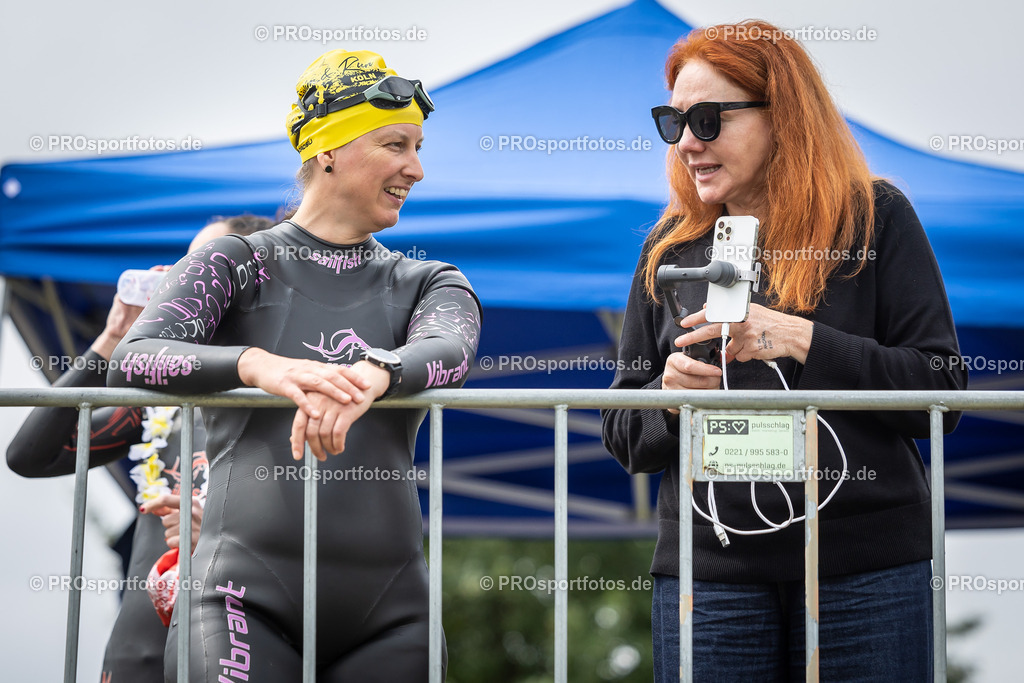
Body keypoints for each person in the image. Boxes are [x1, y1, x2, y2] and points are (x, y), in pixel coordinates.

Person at [600, 20, 967, 682]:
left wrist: (803, 340)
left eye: (708, 119)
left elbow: (940, 390)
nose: (686, 142)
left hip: (866, 570)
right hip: (710, 580)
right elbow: (624, 431)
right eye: (672, 122)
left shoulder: (874, 217)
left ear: (784, 115)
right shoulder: (670, 248)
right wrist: (669, 399)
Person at [108, 49, 481, 682]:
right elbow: (134, 360)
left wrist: (380, 371)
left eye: (418, 147)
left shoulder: (428, 280)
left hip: (394, 614)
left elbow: (451, 348)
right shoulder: (234, 262)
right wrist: (259, 366)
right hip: (239, 602)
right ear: (328, 150)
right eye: (396, 145)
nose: (415, 168)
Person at [7, 214, 273, 682]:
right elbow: (29, 456)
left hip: (239, 658)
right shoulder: (157, 407)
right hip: (137, 660)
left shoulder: (293, 405)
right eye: (180, 269)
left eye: (199, 267)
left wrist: (217, 538)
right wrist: (112, 339)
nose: (180, 281)